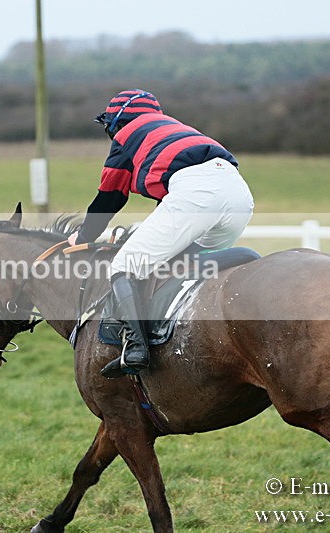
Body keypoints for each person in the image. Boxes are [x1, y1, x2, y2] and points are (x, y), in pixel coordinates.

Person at [67, 89, 255, 378]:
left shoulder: (126, 135)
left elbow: (110, 198)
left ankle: (136, 348)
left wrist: (83, 237)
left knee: (123, 266)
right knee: (185, 264)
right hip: (239, 194)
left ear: (117, 121)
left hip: (197, 192)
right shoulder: (173, 129)